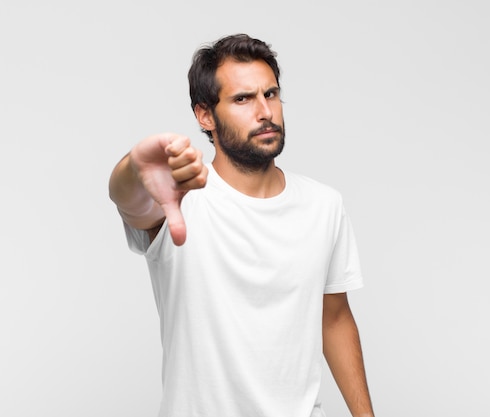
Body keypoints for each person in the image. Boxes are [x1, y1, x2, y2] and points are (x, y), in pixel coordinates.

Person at [109, 33, 374, 417]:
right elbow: (129, 200)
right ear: (205, 115)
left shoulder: (324, 205)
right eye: (242, 99)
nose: (265, 111)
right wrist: (133, 168)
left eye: (271, 94)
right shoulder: (180, 196)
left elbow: (334, 319)